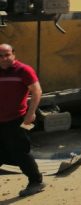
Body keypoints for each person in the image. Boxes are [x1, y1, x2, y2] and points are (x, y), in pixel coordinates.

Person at [0, 44, 45, 197]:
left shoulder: (24, 70)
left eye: (7, 54)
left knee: (21, 152)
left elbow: (37, 91)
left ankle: (36, 181)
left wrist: (31, 113)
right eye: (0, 56)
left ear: (13, 54)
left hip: (18, 119)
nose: (4, 58)